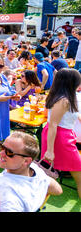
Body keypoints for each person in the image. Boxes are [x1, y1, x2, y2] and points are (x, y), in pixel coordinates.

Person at [41, 68, 81, 198]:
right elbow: (53, 124)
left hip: (63, 136)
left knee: (47, 174)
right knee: (77, 171)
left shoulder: (67, 97)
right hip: (60, 137)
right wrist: (50, 150)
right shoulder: (64, 100)